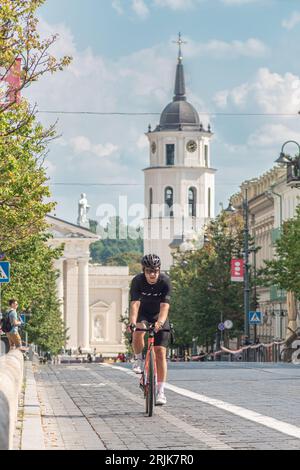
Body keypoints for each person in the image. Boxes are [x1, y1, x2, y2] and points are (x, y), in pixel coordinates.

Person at [128, 254, 171, 406]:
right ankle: (139, 359)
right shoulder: (137, 281)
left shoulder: (165, 281)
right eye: (148, 271)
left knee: (160, 352)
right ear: (143, 271)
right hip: (143, 314)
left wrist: (160, 322)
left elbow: (165, 306)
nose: (152, 274)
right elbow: (134, 304)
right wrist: (132, 322)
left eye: (155, 271)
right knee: (139, 330)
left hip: (159, 315)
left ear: (159, 271)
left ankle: (160, 392)